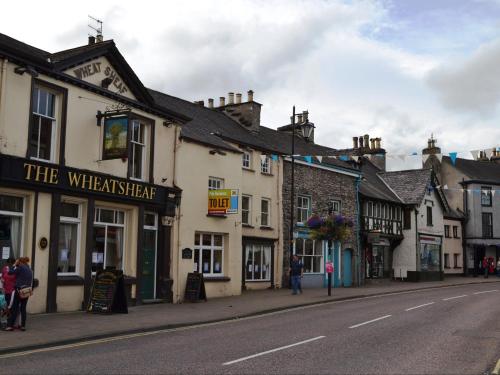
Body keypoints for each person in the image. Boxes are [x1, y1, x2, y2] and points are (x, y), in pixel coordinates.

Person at [5, 257, 33, 331]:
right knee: (23, 309)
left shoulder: (20, 267)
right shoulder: (30, 269)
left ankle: (10, 326)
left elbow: (10, 272)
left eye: (18, 262)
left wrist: (14, 265)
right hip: (27, 291)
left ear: (20, 262)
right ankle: (23, 326)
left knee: (15, 308)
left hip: (19, 290)